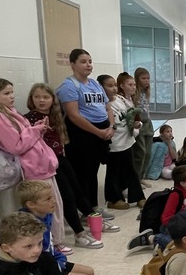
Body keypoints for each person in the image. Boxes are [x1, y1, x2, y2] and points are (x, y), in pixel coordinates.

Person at [0, 76, 64, 243]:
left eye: (12, 92)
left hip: (42, 165)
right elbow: (16, 145)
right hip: (33, 169)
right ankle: (50, 244)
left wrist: (35, 128)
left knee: (55, 206)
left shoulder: (9, 112)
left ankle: (54, 243)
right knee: (45, 208)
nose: (11, 96)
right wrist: (36, 130)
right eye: (6, 93)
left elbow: (24, 134)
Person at [25, 82, 102, 250]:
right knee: (66, 197)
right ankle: (79, 234)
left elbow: (59, 140)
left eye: (45, 97)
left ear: (53, 99)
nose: (41, 100)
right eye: (37, 97)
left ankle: (94, 219)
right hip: (47, 163)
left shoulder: (56, 116)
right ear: (31, 99)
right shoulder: (30, 118)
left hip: (60, 158)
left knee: (77, 191)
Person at [55, 49, 115, 213]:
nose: (88, 65)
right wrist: (98, 132)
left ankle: (93, 206)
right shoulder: (69, 86)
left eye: (90, 61)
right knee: (82, 173)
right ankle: (85, 210)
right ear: (72, 64)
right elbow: (74, 116)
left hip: (101, 132)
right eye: (83, 61)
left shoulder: (95, 84)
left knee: (93, 171)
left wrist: (111, 126)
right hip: (82, 134)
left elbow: (107, 107)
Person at [16, 180, 94, 275]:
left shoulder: (46, 214)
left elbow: (49, 246)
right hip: (43, 269)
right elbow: (36, 259)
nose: (54, 201)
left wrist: (60, 259)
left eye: (52, 197)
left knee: (90, 272)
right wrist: (56, 267)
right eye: (48, 199)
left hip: (53, 260)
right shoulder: (28, 226)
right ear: (31, 204)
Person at [126, 164, 186, 251]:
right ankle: (152, 238)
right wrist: (184, 225)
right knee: (183, 246)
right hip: (173, 228)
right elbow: (166, 219)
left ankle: (161, 245)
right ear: (183, 183)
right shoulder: (176, 195)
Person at [103, 72, 145, 211]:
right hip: (114, 142)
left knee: (130, 171)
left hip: (126, 141)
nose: (114, 88)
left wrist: (136, 126)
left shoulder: (121, 100)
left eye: (114, 85)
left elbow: (130, 118)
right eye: (109, 86)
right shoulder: (105, 104)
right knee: (113, 172)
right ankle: (113, 199)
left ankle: (138, 196)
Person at [131, 67, 154, 181]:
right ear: (137, 79)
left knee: (148, 152)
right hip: (139, 124)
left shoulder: (146, 92)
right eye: (143, 78)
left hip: (148, 123)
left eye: (148, 78)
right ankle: (136, 179)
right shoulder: (134, 92)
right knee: (141, 152)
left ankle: (141, 177)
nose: (146, 81)